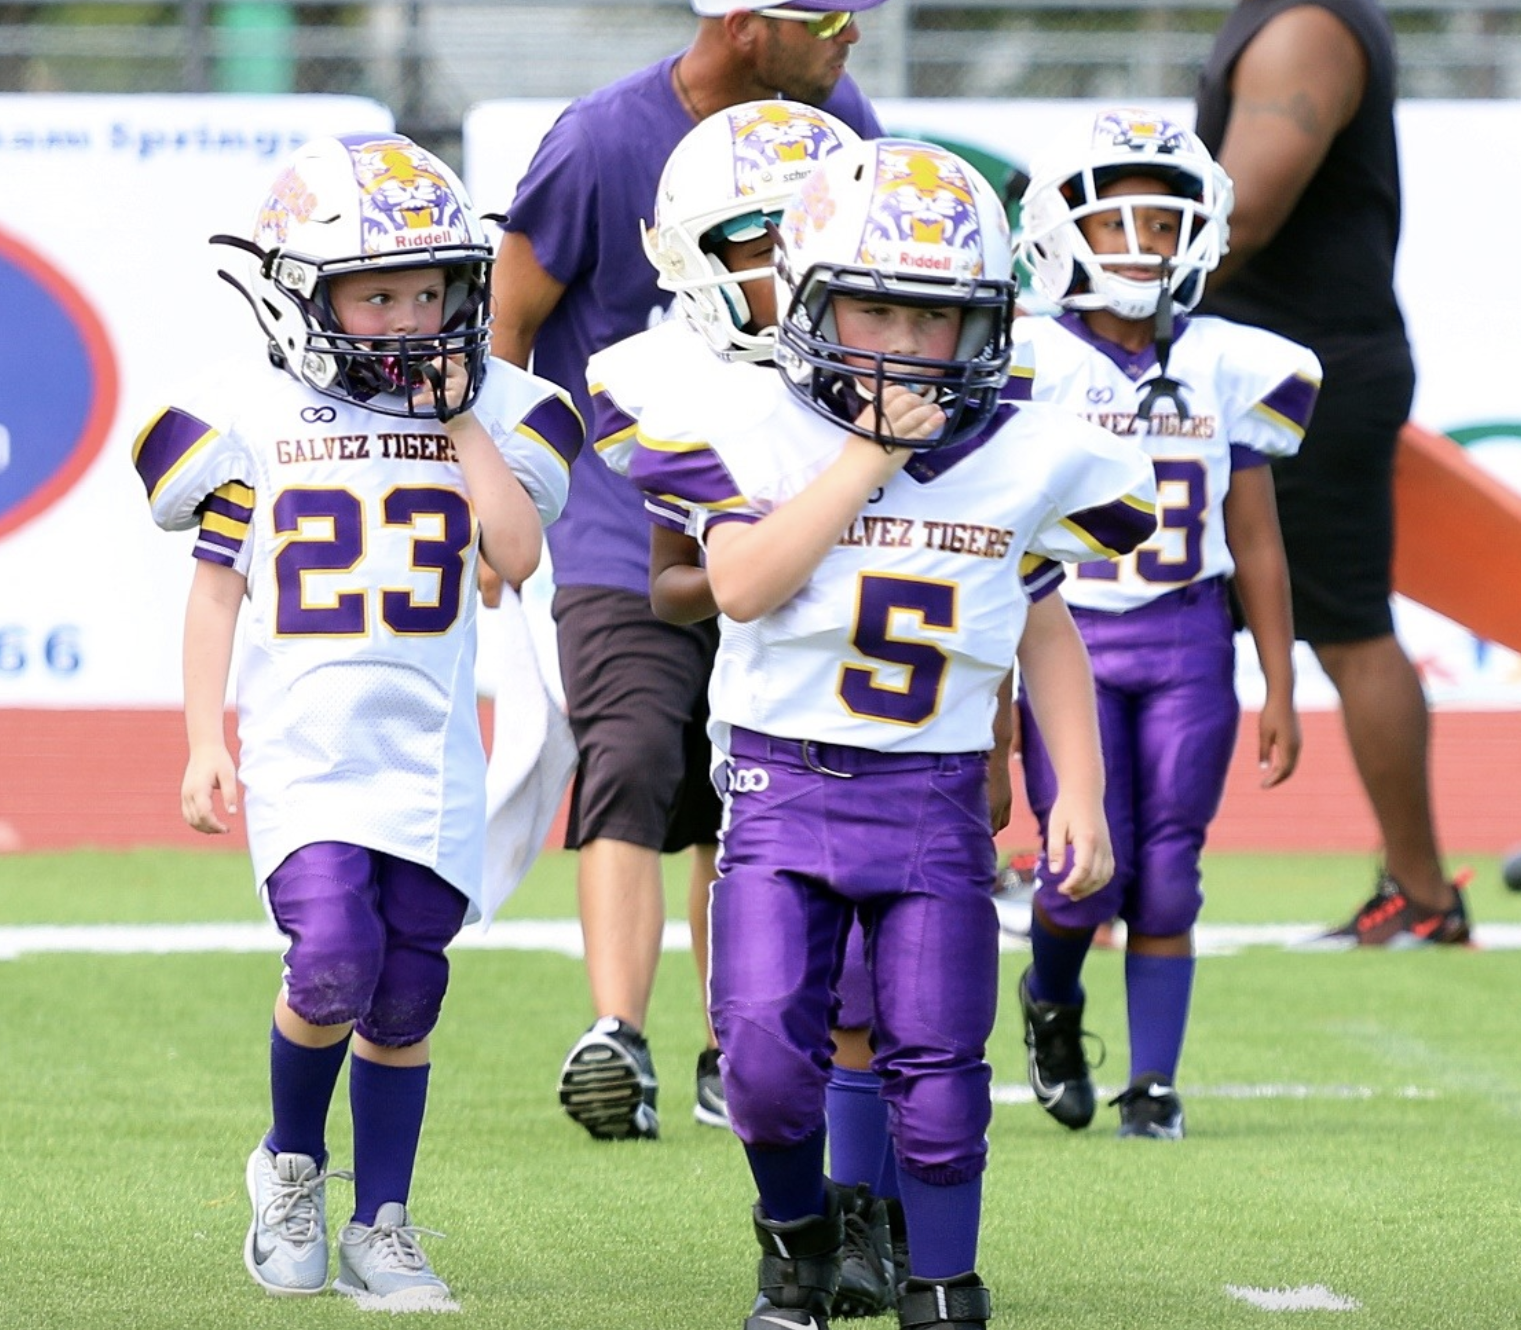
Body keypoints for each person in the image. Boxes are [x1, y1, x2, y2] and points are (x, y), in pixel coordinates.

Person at [630, 139, 1158, 1330]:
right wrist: (870, 456)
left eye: (934, 318)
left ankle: (944, 1284)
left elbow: (1046, 620)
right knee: (763, 1062)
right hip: (780, 787)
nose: (901, 345)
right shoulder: (753, 421)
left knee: (939, 1070)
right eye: (871, 306)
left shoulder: (1026, 446)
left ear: (985, 326)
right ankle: (796, 1240)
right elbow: (744, 584)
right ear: (810, 298)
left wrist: (1080, 789)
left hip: (929, 799)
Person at [132, 133, 577, 1303]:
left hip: (429, 759)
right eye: (376, 293)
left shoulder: (495, 411)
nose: (408, 316)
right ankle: (290, 1163)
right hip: (306, 752)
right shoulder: (250, 412)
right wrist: (199, 739)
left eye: (429, 289)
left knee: (408, 989)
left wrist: (462, 422)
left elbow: (517, 552)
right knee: (329, 959)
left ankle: (382, 1221)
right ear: (302, 295)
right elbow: (216, 583)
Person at [490, 0, 892, 1139]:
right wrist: (509, 492)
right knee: (628, 752)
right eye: (830, 16)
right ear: (751, 27)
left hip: (786, 517)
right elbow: (511, 322)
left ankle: (735, 1044)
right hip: (624, 518)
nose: (852, 34)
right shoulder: (601, 139)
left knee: (747, 782)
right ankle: (618, 1034)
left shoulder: (836, 117)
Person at [591, 98, 902, 1319]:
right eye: (753, 243)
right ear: (688, 255)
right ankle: (803, 1223)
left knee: (884, 1006)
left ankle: (873, 1217)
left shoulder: (908, 350)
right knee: (780, 1015)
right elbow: (675, 579)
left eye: (806, 237)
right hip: (774, 730)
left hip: (905, 723)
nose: (783, 269)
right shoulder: (681, 387)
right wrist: (761, 557)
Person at [1009, 109, 1316, 1138]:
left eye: (1161, 220)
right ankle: (1051, 999)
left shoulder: (1231, 361)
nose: (1142, 245)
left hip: (1190, 636)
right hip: (1071, 640)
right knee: (1084, 868)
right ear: (1059, 233)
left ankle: (1155, 1084)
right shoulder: (1029, 360)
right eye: (1115, 222)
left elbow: (1258, 539)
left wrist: (1278, 679)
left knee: (1171, 870)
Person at [1195, 0, 1471, 946]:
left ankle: (1426, 893)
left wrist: (1111, 297)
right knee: (1130, 611)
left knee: (1348, 629)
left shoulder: (1304, 24)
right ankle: (1093, 853)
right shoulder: (1286, 19)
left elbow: (1246, 214)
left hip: (1296, 375)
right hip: (1273, 361)